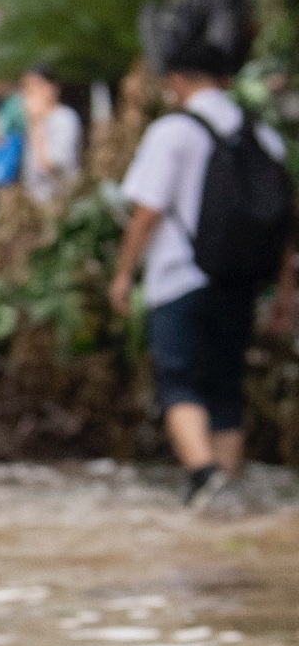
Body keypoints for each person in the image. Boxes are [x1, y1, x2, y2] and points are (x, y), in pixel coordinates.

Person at [110, 48, 296, 509]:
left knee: (180, 381)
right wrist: (285, 294)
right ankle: (226, 488)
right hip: (241, 282)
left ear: (176, 79)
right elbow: (287, 222)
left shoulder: (172, 132)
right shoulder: (264, 137)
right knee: (226, 387)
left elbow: (146, 211)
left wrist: (123, 273)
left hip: (178, 278)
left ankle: (203, 475)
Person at [19, 65, 82, 203]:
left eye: (35, 86)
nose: (29, 92)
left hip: (60, 201)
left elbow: (50, 164)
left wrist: (37, 122)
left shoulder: (65, 118)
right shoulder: (32, 120)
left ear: (52, 88)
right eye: (26, 87)